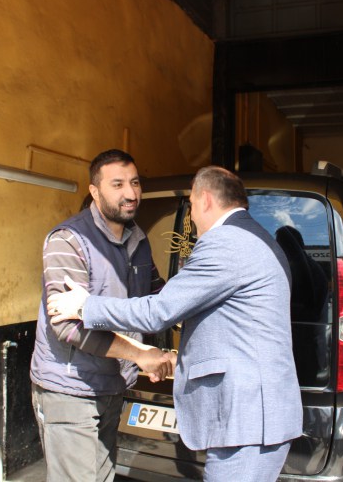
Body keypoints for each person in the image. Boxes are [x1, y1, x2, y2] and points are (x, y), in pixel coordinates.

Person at [47, 165, 303, 482]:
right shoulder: (255, 237)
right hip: (255, 416)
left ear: (205, 200)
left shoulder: (227, 242)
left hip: (248, 419)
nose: (191, 218)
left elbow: (161, 310)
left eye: (192, 206)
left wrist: (85, 305)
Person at [29, 149, 174, 482]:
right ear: (94, 191)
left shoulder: (138, 239)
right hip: (70, 388)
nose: (131, 193)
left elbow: (159, 297)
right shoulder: (68, 240)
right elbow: (69, 328)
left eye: (135, 183)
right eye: (117, 184)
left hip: (113, 385)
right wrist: (141, 354)